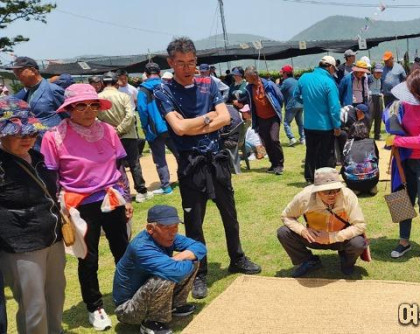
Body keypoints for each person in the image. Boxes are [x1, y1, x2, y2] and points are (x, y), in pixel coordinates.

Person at [153, 37, 261, 301]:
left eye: (191, 62)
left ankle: (237, 257)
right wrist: (207, 119)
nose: (187, 68)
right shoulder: (162, 91)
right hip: (191, 165)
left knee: (230, 214)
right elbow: (178, 129)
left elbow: (225, 118)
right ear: (170, 63)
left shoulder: (208, 83)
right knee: (194, 222)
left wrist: (194, 123)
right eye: (181, 63)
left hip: (216, 160)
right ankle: (199, 272)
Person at [40, 84, 133, 331]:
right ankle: (95, 307)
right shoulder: (54, 136)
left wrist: (127, 197)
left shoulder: (109, 131)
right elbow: (51, 177)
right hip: (79, 205)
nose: (88, 110)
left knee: (123, 251)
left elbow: (119, 166)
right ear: (69, 108)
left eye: (93, 105)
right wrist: (58, 212)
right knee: (88, 258)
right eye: (81, 105)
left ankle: (127, 295)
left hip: (112, 198)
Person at [0, 97, 66, 334]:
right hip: (21, 246)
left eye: (31, 132)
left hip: (52, 239)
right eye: (19, 133)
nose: (28, 138)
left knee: (56, 297)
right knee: (33, 307)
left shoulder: (37, 157)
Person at [113, 205, 206, 334]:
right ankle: (151, 322)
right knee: (166, 276)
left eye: (175, 226)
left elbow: (200, 247)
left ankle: (175, 306)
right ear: (150, 229)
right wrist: (184, 260)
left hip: (145, 294)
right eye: (167, 227)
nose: (173, 232)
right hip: (128, 310)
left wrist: (181, 256)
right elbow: (176, 273)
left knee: (191, 259)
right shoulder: (141, 248)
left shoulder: (169, 237)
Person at [385, 68, 420, 264]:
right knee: (402, 200)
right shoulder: (407, 105)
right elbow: (398, 122)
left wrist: (397, 141)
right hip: (406, 160)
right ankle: (404, 241)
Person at [278, 167, 367, 277]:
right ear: (317, 191)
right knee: (283, 232)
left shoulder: (348, 195)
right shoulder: (304, 196)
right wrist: (302, 231)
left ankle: (346, 261)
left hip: (340, 238)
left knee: (358, 243)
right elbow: (286, 216)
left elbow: (360, 225)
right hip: (313, 237)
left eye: (337, 190)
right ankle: (308, 260)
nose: (333, 195)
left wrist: (332, 237)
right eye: (327, 191)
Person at [98, 71, 153, 203]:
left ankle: (121, 192)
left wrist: (112, 131)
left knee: (116, 165)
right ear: (116, 83)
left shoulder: (98, 98)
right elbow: (131, 116)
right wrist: (120, 129)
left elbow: (96, 119)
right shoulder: (123, 96)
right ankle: (141, 192)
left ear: (103, 83)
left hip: (108, 137)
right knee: (134, 164)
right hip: (128, 135)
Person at [294, 55, 342, 184]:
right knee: (326, 154)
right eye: (334, 69)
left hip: (309, 123)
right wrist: (337, 126)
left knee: (311, 151)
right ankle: (324, 179)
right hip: (325, 125)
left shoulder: (304, 77)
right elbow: (334, 108)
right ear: (330, 67)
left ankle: (310, 178)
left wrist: (306, 103)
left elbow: (295, 95)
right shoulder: (329, 82)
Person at [137, 62, 179, 196]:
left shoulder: (143, 90)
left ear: (146, 74)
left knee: (160, 159)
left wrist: (145, 127)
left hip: (154, 130)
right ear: (159, 72)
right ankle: (186, 178)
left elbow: (142, 111)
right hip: (172, 125)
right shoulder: (166, 85)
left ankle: (166, 187)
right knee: (179, 153)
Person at [6, 57, 65, 143]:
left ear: (33, 70)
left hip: (55, 143)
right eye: (15, 74)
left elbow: (69, 116)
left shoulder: (53, 90)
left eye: (19, 72)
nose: (17, 77)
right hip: (35, 144)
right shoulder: (27, 92)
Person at [244, 66, 285, 175]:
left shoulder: (269, 85)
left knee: (274, 139)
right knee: (266, 141)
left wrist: (277, 109)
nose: (245, 78)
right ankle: (273, 164)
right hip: (260, 118)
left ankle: (280, 164)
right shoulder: (249, 88)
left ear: (253, 76)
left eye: (246, 76)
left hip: (273, 117)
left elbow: (280, 97)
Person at [341, 120, 379, 195]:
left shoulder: (347, 143)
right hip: (372, 180)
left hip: (352, 181)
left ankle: (355, 189)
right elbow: (376, 159)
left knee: (343, 168)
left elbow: (344, 161)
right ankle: (371, 187)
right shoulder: (371, 142)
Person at [279, 65, 305, 146]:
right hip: (300, 104)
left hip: (291, 105)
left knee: (286, 123)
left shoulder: (286, 82)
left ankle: (291, 138)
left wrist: (277, 84)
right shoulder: (297, 81)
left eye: (283, 73)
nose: (282, 74)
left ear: (286, 73)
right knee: (300, 123)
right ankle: (303, 138)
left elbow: (279, 92)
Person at [368, 63, 384, 140]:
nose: (378, 74)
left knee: (379, 117)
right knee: (370, 117)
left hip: (379, 97)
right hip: (371, 98)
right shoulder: (369, 78)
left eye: (380, 72)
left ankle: (377, 135)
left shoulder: (381, 79)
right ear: (373, 71)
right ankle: (366, 134)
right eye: (377, 72)